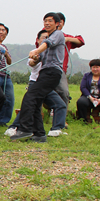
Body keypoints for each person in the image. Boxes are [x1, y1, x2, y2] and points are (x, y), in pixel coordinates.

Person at [11, 13, 65, 142]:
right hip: (44, 73)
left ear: (57, 23)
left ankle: (25, 129)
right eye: (45, 21)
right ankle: (39, 134)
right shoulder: (45, 44)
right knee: (35, 102)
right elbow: (35, 61)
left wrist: (36, 50)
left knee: (30, 97)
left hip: (52, 72)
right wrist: (35, 58)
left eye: (50, 21)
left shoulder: (58, 34)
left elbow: (47, 43)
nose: (47, 23)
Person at [54, 13, 85, 105]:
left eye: (59, 22)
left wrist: (67, 39)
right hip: (44, 68)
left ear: (62, 23)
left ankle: (62, 112)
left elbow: (81, 41)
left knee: (64, 92)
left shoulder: (65, 37)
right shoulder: (45, 35)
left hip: (60, 69)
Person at [76, 59, 100, 123]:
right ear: (91, 68)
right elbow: (83, 87)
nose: (95, 69)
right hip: (89, 97)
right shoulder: (86, 76)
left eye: (97, 67)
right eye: (93, 67)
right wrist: (90, 97)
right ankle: (82, 120)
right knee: (81, 102)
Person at [0, 24, 14, 126]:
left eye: (3, 31)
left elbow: (9, 61)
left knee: (9, 99)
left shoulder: (4, 47)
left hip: (5, 75)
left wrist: (6, 54)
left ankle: (2, 121)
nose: (1, 32)